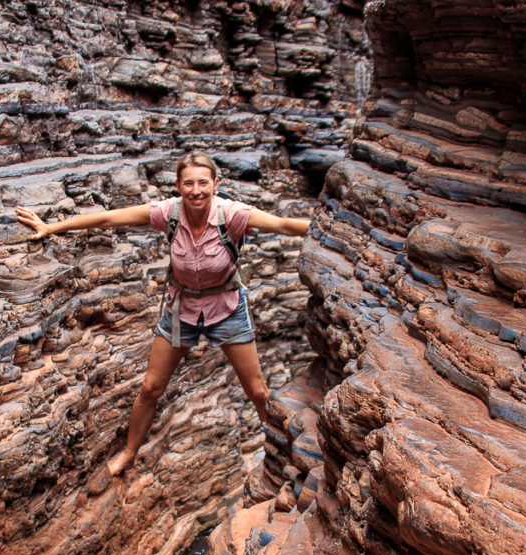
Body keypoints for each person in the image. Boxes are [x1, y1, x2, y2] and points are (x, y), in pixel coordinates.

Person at [16, 151, 309, 479]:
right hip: (181, 309)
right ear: (178, 185)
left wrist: (325, 228)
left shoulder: (233, 214)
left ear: (216, 184)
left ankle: (283, 452)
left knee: (257, 391)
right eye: (188, 183)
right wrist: (50, 227)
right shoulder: (168, 212)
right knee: (151, 388)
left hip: (226, 309)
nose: (196, 190)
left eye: (203, 183)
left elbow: (284, 225)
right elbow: (109, 219)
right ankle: (129, 453)